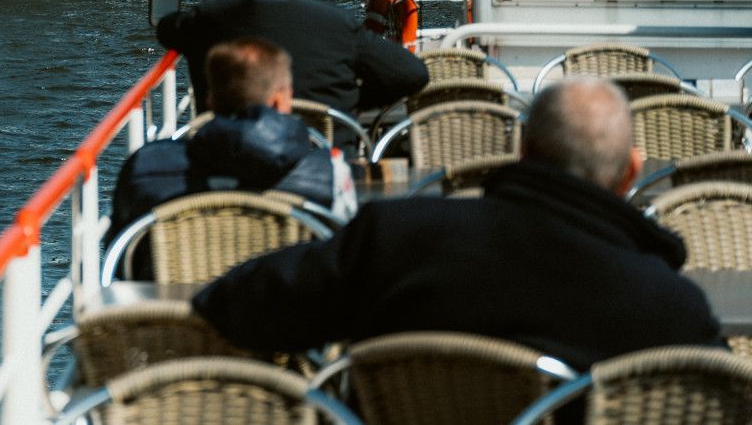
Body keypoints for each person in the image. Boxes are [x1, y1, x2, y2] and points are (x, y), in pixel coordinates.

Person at [192, 78, 722, 368]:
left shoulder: (397, 239)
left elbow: (238, 304)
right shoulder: (672, 310)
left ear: (521, 149)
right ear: (631, 172)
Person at [106, 38, 353, 278]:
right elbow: (344, 257)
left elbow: (122, 261)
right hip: (288, 312)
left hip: (179, 315)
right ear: (279, 100)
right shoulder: (329, 171)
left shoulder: (145, 166)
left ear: (211, 99)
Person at [156, 0, 427, 117]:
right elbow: (414, 74)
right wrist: (353, 101)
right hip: (323, 162)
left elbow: (166, 28)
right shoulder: (339, 24)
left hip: (231, 167)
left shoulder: (211, 15)